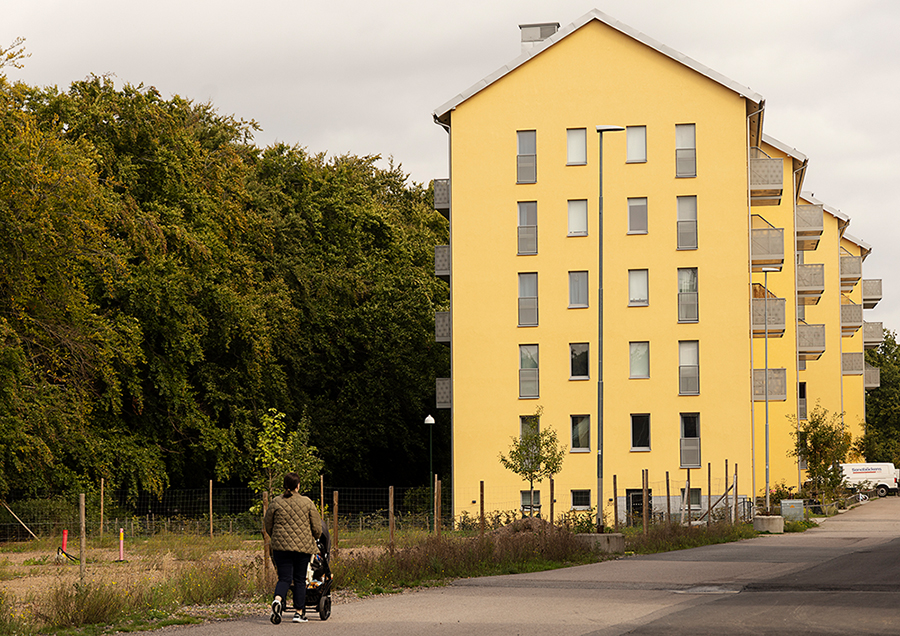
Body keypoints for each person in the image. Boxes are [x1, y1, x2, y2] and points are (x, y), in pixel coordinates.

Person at [264, 472, 323, 624]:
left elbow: (268, 524)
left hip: (280, 548)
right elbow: (317, 526)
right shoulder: (307, 502)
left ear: (285, 486)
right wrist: (316, 536)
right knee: (299, 580)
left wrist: (276, 537)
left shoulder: (276, 502)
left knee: (284, 578)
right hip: (302, 548)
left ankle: (278, 600)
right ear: (298, 486)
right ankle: (299, 613)